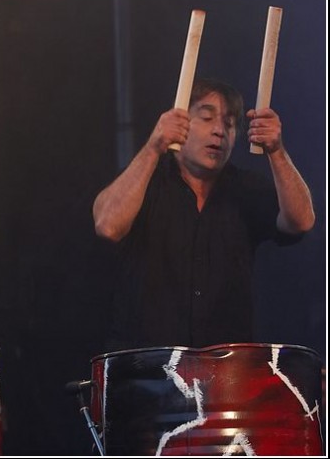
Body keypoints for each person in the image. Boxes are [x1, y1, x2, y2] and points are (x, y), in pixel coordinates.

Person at [92, 78, 315, 351]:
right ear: (180, 121)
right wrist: (154, 145)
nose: (220, 131)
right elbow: (107, 225)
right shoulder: (147, 180)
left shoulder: (244, 188)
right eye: (207, 118)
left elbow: (301, 221)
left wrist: (276, 151)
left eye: (230, 124)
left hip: (226, 372)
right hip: (148, 371)